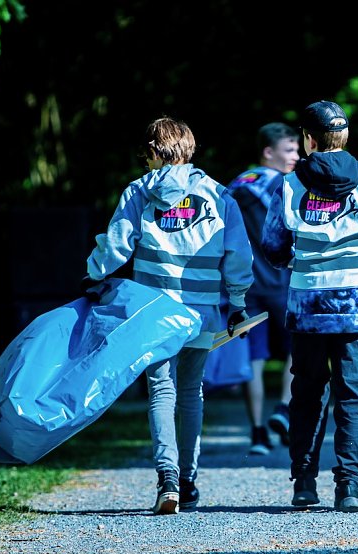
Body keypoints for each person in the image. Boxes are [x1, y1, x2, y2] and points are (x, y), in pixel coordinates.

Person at [84, 117, 253, 513]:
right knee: (191, 392)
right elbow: (238, 255)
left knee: (161, 391)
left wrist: (91, 273)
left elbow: (116, 246)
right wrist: (239, 301)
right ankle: (189, 478)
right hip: (202, 311)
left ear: (154, 152)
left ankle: (168, 478)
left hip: (153, 312)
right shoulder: (219, 194)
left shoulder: (139, 192)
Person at [261, 100, 358, 513]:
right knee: (354, 395)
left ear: (309, 140)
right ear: (345, 137)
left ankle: (304, 483)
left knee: (307, 393)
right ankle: (348, 487)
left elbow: (274, 249)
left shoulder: (289, 185)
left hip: (308, 308)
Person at [226, 122, 299, 455]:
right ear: (268, 152)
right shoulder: (282, 185)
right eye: (290, 150)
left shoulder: (234, 185)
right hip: (282, 283)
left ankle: (256, 432)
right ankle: (283, 409)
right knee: (297, 349)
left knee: (252, 360)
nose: (296, 156)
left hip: (244, 289)